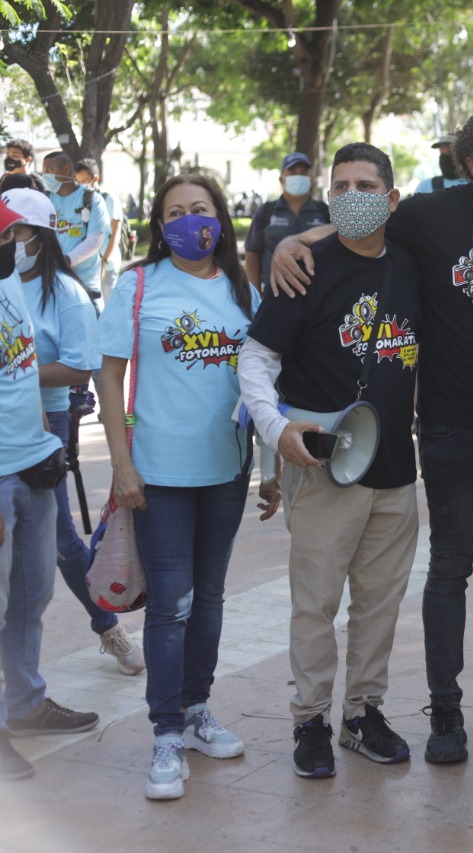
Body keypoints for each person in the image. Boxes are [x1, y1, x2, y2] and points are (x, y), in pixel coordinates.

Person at [269, 102, 473, 764]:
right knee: (451, 564)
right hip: (448, 424)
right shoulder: (434, 214)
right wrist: (297, 239)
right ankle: (444, 710)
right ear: (468, 161)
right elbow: (361, 219)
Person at [240, 143, 419, 779]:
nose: (352, 196)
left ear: (392, 198)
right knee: (315, 603)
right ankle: (309, 720)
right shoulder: (305, 267)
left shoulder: (412, 260)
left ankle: (363, 713)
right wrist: (276, 428)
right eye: (339, 187)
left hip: (396, 466)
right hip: (322, 466)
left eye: (366, 185)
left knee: (380, 603)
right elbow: (256, 358)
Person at [96, 173, 261, 800]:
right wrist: (122, 462)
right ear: (159, 225)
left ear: (220, 217)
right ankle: (165, 732)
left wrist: (267, 472)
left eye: (201, 209)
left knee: (211, 595)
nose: (190, 220)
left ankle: (196, 712)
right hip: (158, 473)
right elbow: (110, 380)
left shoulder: (245, 292)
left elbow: (260, 383)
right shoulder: (138, 286)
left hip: (228, 469)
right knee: (172, 604)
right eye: (175, 212)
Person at [1, 187, 143, 675]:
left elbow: (80, 368)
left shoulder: (65, 293)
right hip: (6, 423)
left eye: (15, 231)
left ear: (39, 236)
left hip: (47, 425)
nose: (8, 240)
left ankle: (107, 625)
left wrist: (14, 373)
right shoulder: (4, 283)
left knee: (59, 539)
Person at [0, 197, 101, 782]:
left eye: (18, 233)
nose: (15, 243)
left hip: (32, 459)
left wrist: (44, 441)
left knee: (30, 595)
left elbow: (20, 374)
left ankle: (27, 705)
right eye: (9, 234)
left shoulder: (14, 281)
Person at [243, 152, 330, 290]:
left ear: (311, 178)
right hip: (274, 294)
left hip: (319, 294)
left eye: (303, 172)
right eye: (292, 172)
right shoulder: (266, 211)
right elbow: (252, 253)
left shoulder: (325, 211)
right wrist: (255, 294)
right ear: (281, 179)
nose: (298, 176)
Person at [41, 151, 110, 309]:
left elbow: (95, 240)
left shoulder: (92, 200)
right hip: (55, 283)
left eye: (49, 170)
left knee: (94, 328)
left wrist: (66, 261)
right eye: (44, 171)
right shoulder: (46, 200)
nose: (45, 175)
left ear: (66, 169)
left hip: (86, 284)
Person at [74, 158, 125, 303]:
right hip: (88, 265)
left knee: (108, 306)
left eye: (84, 180)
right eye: (78, 181)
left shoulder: (108, 198)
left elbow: (115, 234)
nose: (81, 185)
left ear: (95, 178)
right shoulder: (80, 199)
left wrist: (104, 261)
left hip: (107, 265)